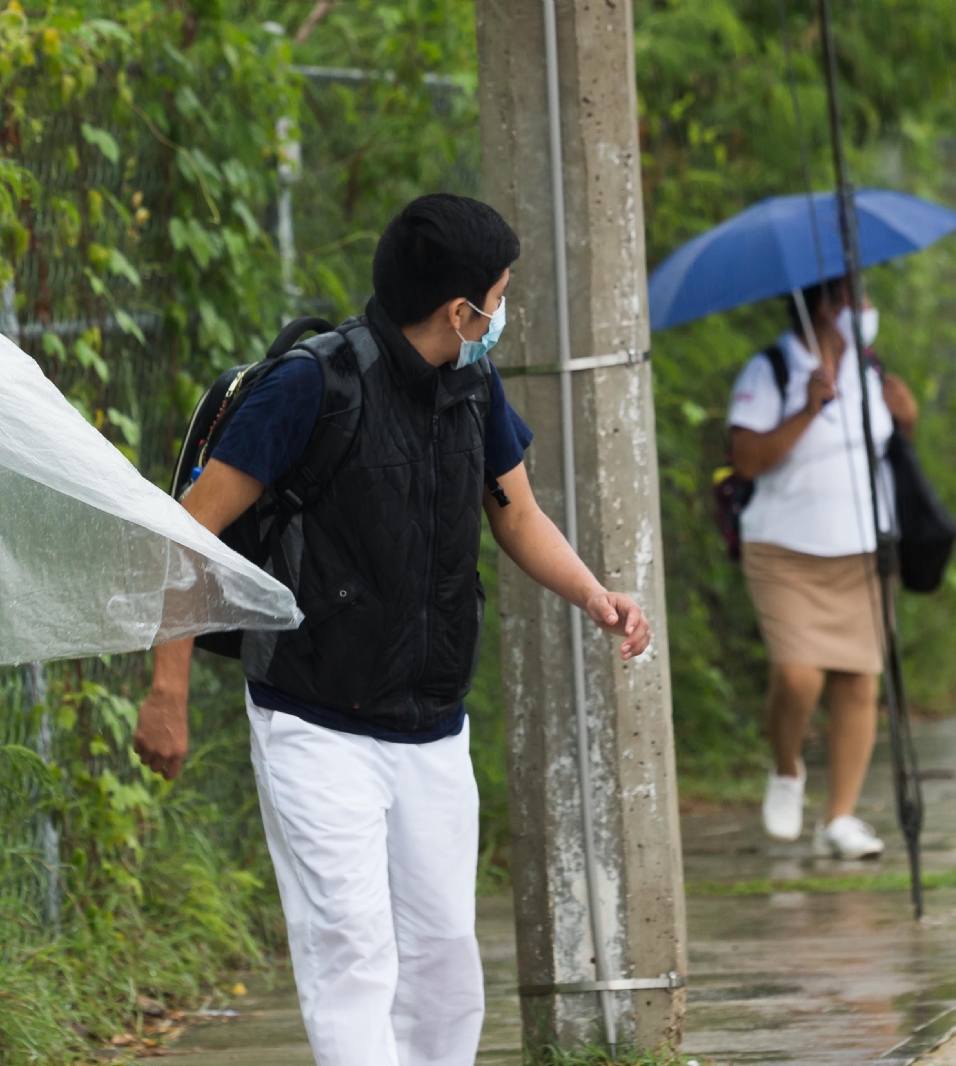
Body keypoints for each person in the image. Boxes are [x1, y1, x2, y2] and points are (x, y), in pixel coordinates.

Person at [133, 194, 652, 1066]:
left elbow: (515, 515)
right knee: (352, 953)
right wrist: (167, 688)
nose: (502, 309)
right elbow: (191, 532)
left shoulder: (472, 384)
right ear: (462, 310)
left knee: (445, 966)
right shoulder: (313, 385)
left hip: (431, 725)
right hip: (314, 721)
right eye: (501, 292)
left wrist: (596, 595)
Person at [729, 277, 918, 860]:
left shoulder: (870, 368)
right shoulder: (771, 371)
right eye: (854, 300)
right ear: (823, 308)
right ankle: (787, 769)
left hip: (864, 548)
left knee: (859, 681)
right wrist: (810, 407)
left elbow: (893, 437)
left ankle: (840, 817)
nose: (865, 310)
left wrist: (904, 413)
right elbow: (746, 460)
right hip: (786, 551)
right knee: (798, 675)